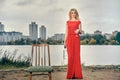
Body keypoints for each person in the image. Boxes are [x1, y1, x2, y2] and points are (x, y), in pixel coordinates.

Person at [64, 8, 83, 79]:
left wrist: (79, 31)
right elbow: (66, 33)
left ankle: (77, 74)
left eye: (74, 13)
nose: (73, 14)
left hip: (76, 39)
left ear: (76, 14)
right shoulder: (67, 22)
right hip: (69, 39)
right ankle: (70, 75)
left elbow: (81, 32)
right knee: (70, 56)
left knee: (77, 56)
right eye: (72, 13)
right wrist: (64, 42)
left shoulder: (79, 21)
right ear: (70, 14)